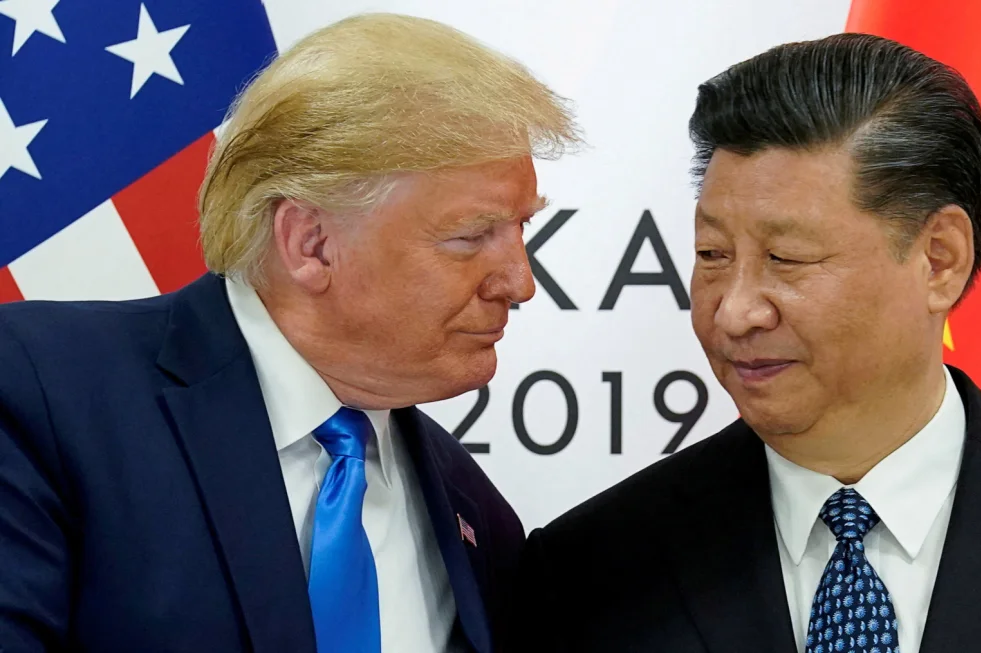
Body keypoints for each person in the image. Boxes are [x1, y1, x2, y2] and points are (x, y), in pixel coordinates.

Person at [514, 33, 981, 653]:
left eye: (786, 259)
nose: (733, 312)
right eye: (711, 255)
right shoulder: (590, 569)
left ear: (939, 258)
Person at [0, 13, 578, 653]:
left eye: (522, 230)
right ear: (311, 243)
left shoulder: (477, 513)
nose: (520, 284)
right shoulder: (37, 395)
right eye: (472, 237)